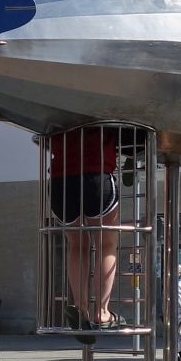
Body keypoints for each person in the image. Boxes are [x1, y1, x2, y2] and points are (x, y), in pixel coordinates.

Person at [50, 126, 124, 330]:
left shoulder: (59, 114)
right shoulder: (99, 109)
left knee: (76, 246)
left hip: (60, 181)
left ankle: (80, 308)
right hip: (96, 173)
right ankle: (102, 311)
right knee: (106, 245)